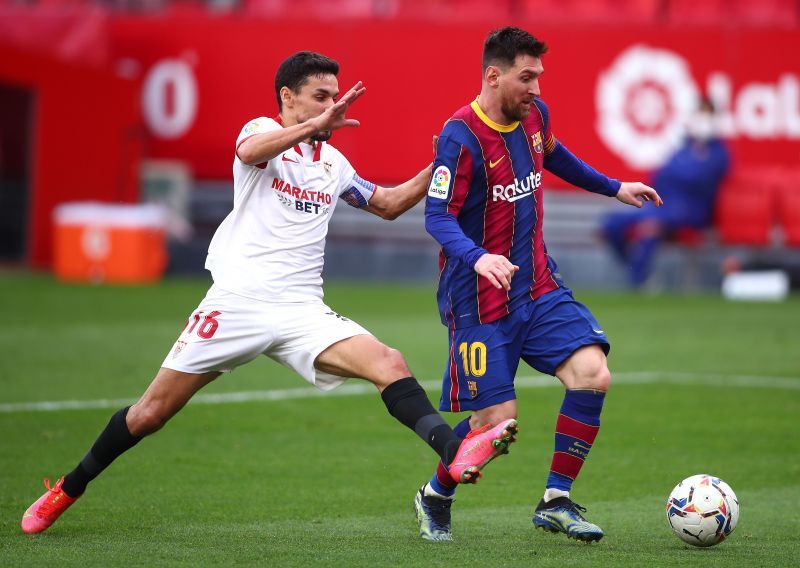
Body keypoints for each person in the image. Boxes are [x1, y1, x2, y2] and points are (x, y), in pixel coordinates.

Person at [21, 51, 519, 535]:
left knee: (389, 362)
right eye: (320, 97)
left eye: (335, 96)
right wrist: (312, 126)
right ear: (288, 97)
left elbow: (386, 204)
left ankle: (453, 454)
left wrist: (438, 164)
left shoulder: (334, 164)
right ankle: (68, 487)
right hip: (237, 301)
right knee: (151, 413)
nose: (332, 105)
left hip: (302, 310)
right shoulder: (260, 132)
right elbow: (248, 154)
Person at [413, 27, 662, 543]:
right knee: (496, 424)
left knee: (593, 372)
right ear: (493, 76)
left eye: (539, 77)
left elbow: (557, 155)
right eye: (527, 78)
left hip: (537, 285)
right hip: (478, 301)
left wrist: (615, 187)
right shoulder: (459, 136)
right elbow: (437, 217)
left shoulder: (534, 117)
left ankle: (557, 500)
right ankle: (435, 494)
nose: (537, 89)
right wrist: (479, 258)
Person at [601, 97, 730, 288]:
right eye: (699, 113)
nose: (702, 120)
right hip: (663, 206)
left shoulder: (719, 153)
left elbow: (699, 180)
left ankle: (638, 282)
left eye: (707, 115)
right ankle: (635, 270)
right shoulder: (682, 148)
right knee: (611, 223)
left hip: (691, 212)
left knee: (650, 228)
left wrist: (687, 168)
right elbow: (659, 176)